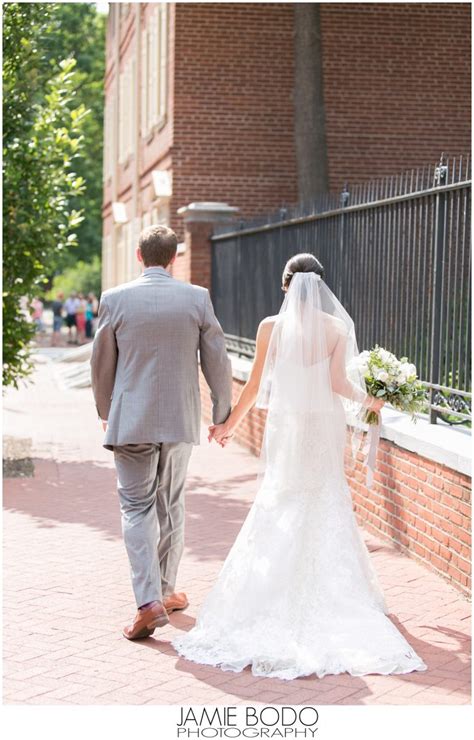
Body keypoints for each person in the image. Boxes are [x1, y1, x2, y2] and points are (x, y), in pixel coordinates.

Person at [172, 253, 428, 680]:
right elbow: (338, 384)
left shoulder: (271, 327)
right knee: (324, 496)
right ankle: (335, 595)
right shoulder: (336, 328)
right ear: (321, 286)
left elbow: (254, 386)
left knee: (281, 496)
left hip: (288, 429)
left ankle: (269, 591)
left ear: (286, 284)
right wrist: (371, 400)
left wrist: (229, 425)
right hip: (322, 427)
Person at [90, 225, 232, 641]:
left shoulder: (114, 300)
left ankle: (149, 600)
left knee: (136, 508)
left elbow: (101, 364)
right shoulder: (196, 298)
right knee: (170, 504)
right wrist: (222, 414)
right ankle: (165, 591)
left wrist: (105, 410)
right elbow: (218, 360)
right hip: (179, 419)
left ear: (138, 256)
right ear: (174, 259)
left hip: (130, 419)